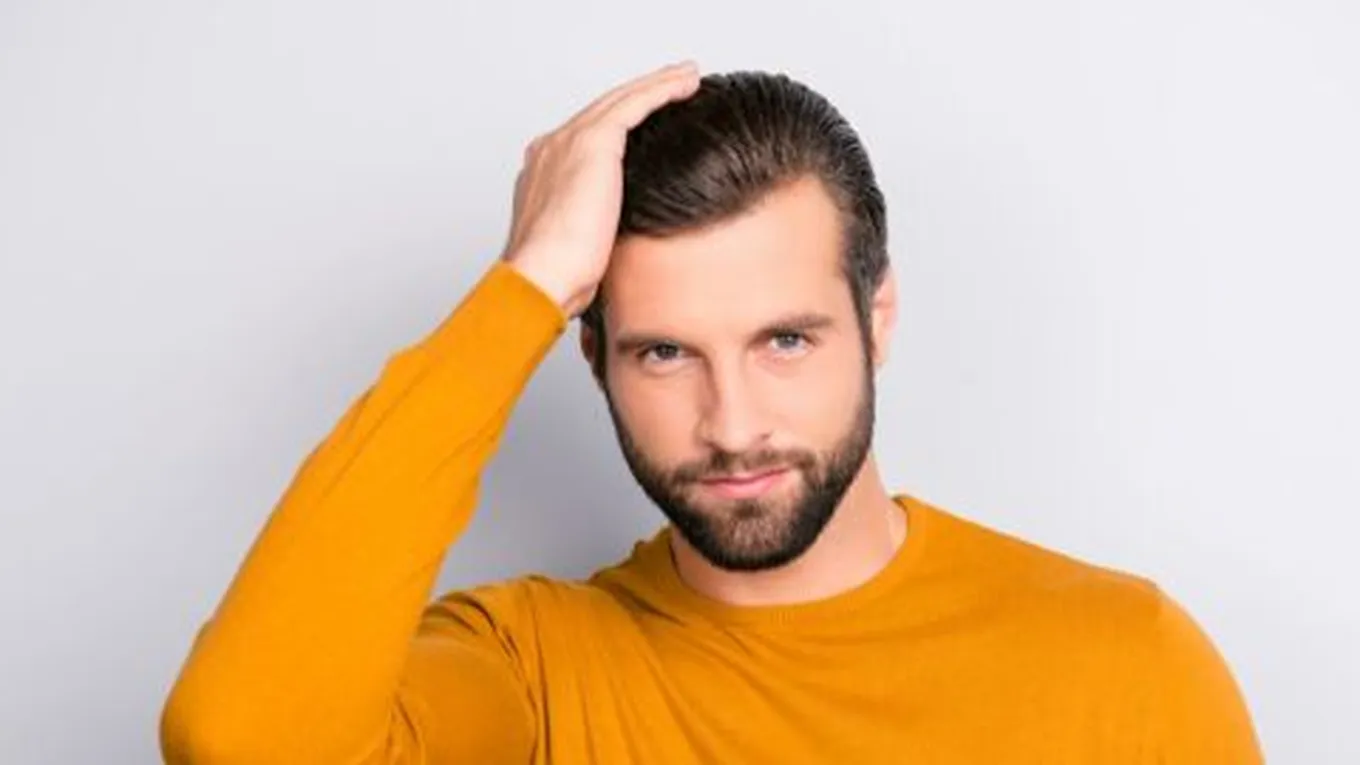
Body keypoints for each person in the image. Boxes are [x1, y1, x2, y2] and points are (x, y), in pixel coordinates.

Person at [159, 61, 1263, 764]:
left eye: (785, 341)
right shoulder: (533, 673)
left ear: (876, 319)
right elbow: (241, 737)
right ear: (591, 357)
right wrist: (525, 287)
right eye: (664, 353)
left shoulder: (1125, 661)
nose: (731, 424)